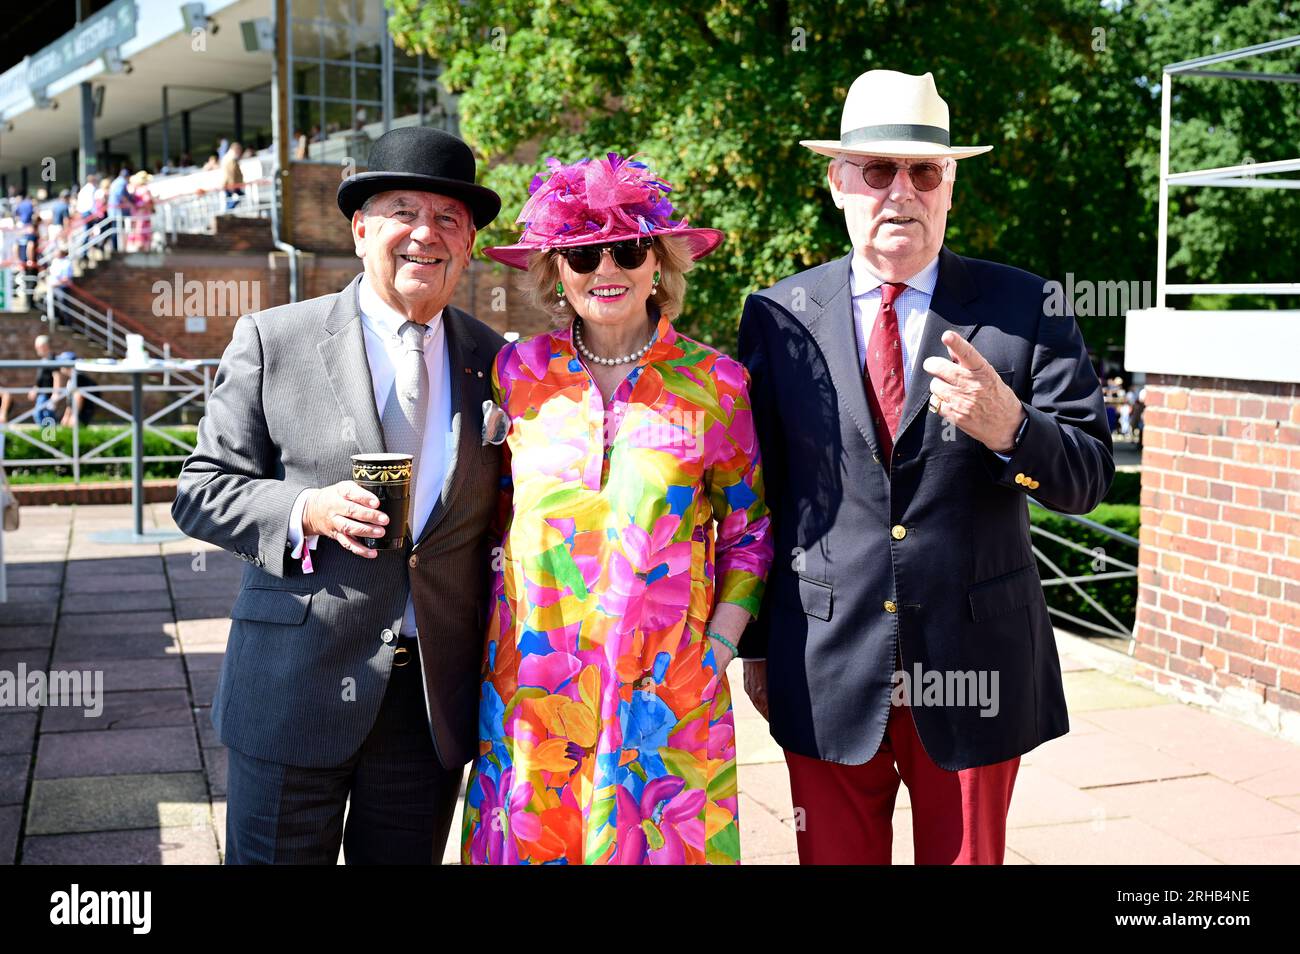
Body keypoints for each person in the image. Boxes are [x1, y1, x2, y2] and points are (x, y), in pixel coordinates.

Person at [737, 69, 1114, 865]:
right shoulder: (776, 316)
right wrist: (760, 647)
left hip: (977, 668)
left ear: (950, 188)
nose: (899, 191)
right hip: (826, 662)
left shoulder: (1027, 307)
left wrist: (1010, 425)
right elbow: (762, 498)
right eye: (877, 171)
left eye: (924, 172)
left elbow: (1085, 480)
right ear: (839, 183)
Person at [172, 126, 505, 864]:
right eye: (402, 211)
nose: (426, 232)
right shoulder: (273, 338)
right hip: (296, 689)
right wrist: (303, 510)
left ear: (471, 241)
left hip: (427, 707)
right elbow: (200, 489)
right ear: (360, 229)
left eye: (449, 217)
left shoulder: (498, 360)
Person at [461, 154, 773, 865]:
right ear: (556, 274)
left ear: (658, 262)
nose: (607, 268)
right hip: (532, 692)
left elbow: (751, 530)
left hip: (663, 695)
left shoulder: (716, 384)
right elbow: (489, 516)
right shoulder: (517, 375)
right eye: (580, 253)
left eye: (628, 248)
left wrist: (717, 648)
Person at [52, 352, 96, 427]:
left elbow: (78, 397)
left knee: (77, 433)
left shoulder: (78, 377)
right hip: (76, 411)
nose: (60, 367)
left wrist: (74, 416)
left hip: (83, 411)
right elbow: (70, 401)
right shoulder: (71, 379)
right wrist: (66, 416)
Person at [26, 335, 57, 426]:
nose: (36, 349)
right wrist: (34, 390)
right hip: (42, 394)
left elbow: (57, 376)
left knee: (43, 415)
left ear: (44, 346)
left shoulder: (51, 359)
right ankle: (47, 437)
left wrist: (55, 394)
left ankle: (49, 438)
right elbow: (41, 380)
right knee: (42, 415)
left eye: (37, 347)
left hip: (47, 394)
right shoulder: (44, 360)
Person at [127, 171, 154, 252]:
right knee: (142, 231)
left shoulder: (134, 189)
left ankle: (138, 247)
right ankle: (143, 248)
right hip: (143, 214)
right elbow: (147, 201)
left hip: (136, 213)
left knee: (137, 230)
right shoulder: (144, 190)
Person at [221, 143, 245, 210]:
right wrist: (232, 185)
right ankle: (228, 212)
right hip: (230, 184)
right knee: (240, 196)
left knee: (229, 200)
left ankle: (228, 212)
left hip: (229, 184)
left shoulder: (228, 158)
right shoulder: (231, 159)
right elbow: (231, 174)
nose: (240, 152)